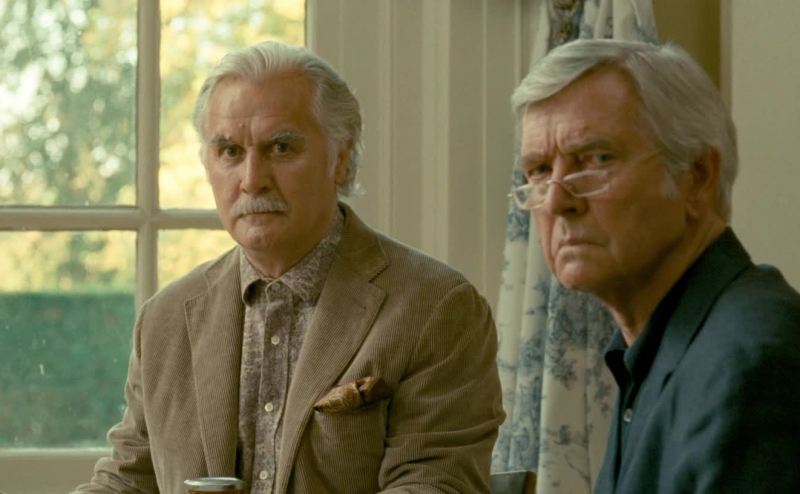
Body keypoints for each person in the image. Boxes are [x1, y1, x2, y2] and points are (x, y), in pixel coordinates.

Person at [74, 41, 504, 494]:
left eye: (280, 147)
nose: (251, 180)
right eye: (229, 151)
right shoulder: (164, 320)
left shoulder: (435, 308)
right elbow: (127, 480)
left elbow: (434, 485)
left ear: (340, 159)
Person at [509, 38, 800, 493]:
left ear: (697, 177)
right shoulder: (655, 347)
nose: (557, 201)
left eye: (597, 159)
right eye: (540, 171)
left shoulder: (749, 362)